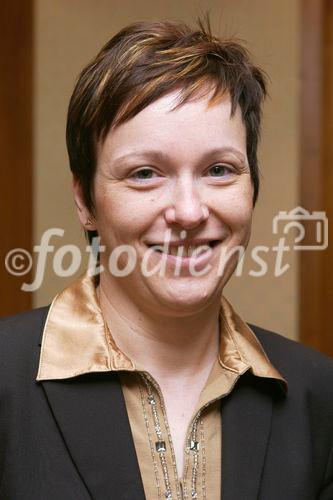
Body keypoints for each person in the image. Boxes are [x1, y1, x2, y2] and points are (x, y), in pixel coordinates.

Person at [0, 17, 333, 500]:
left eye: (219, 170)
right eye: (144, 174)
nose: (189, 212)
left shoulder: (316, 396)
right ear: (85, 202)